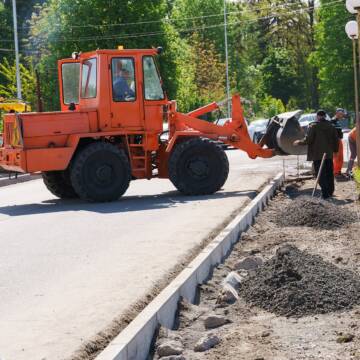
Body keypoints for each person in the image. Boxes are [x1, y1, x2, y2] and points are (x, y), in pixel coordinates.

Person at [294, 110, 339, 199]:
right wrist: (335, 151)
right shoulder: (331, 126)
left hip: (317, 154)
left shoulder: (313, 126)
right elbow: (335, 140)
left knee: (321, 174)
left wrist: (299, 142)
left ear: (318, 116)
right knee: (329, 173)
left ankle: (325, 194)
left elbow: (309, 140)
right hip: (328, 154)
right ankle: (330, 192)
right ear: (325, 116)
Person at [331, 108, 345, 177]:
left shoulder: (338, 121)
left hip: (339, 140)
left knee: (341, 157)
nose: (342, 115)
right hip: (335, 141)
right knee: (336, 156)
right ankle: (336, 172)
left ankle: (339, 171)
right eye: (340, 114)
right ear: (336, 113)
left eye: (342, 114)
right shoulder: (333, 121)